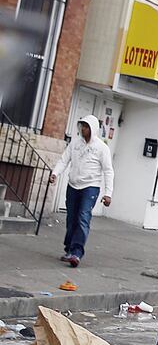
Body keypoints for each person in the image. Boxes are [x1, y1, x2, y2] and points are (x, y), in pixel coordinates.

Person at [49, 115, 114, 268]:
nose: (83, 129)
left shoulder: (101, 148)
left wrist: (108, 193)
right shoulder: (75, 144)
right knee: (71, 218)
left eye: (86, 126)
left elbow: (108, 171)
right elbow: (64, 160)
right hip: (73, 185)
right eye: (82, 126)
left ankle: (77, 253)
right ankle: (69, 248)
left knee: (83, 218)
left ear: (92, 129)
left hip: (90, 187)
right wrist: (55, 173)